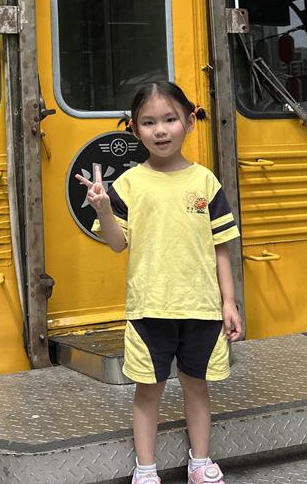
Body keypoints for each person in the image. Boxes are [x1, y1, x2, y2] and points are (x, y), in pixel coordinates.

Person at [76, 80, 242, 484]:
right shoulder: (129, 185)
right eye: (148, 122)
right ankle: (146, 469)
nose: (161, 130)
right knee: (148, 389)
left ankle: (199, 462)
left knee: (197, 386)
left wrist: (229, 302)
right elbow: (117, 244)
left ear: (190, 121)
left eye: (170, 119)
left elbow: (221, 248)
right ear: (134, 129)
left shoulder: (206, 182)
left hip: (202, 308)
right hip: (149, 308)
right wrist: (103, 209)